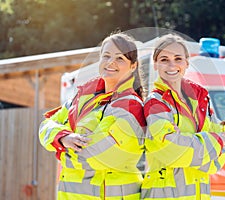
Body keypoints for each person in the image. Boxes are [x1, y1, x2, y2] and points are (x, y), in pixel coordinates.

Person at [39, 32, 146, 200]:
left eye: (120, 58)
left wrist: (59, 145)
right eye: (106, 56)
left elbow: (96, 156)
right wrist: (63, 137)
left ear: (133, 66)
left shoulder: (131, 106)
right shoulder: (82, 97)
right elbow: (46, 125)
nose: (110, 62)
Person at [141, 33, 225, 200]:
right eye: (164, 59)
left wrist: (187, 142)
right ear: (155, 65)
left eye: (177, 59)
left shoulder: (201, 100)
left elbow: (218, 161)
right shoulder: (155, 103)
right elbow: (171, 151)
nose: (171, 65)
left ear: (187, 63)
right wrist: (215, 141)